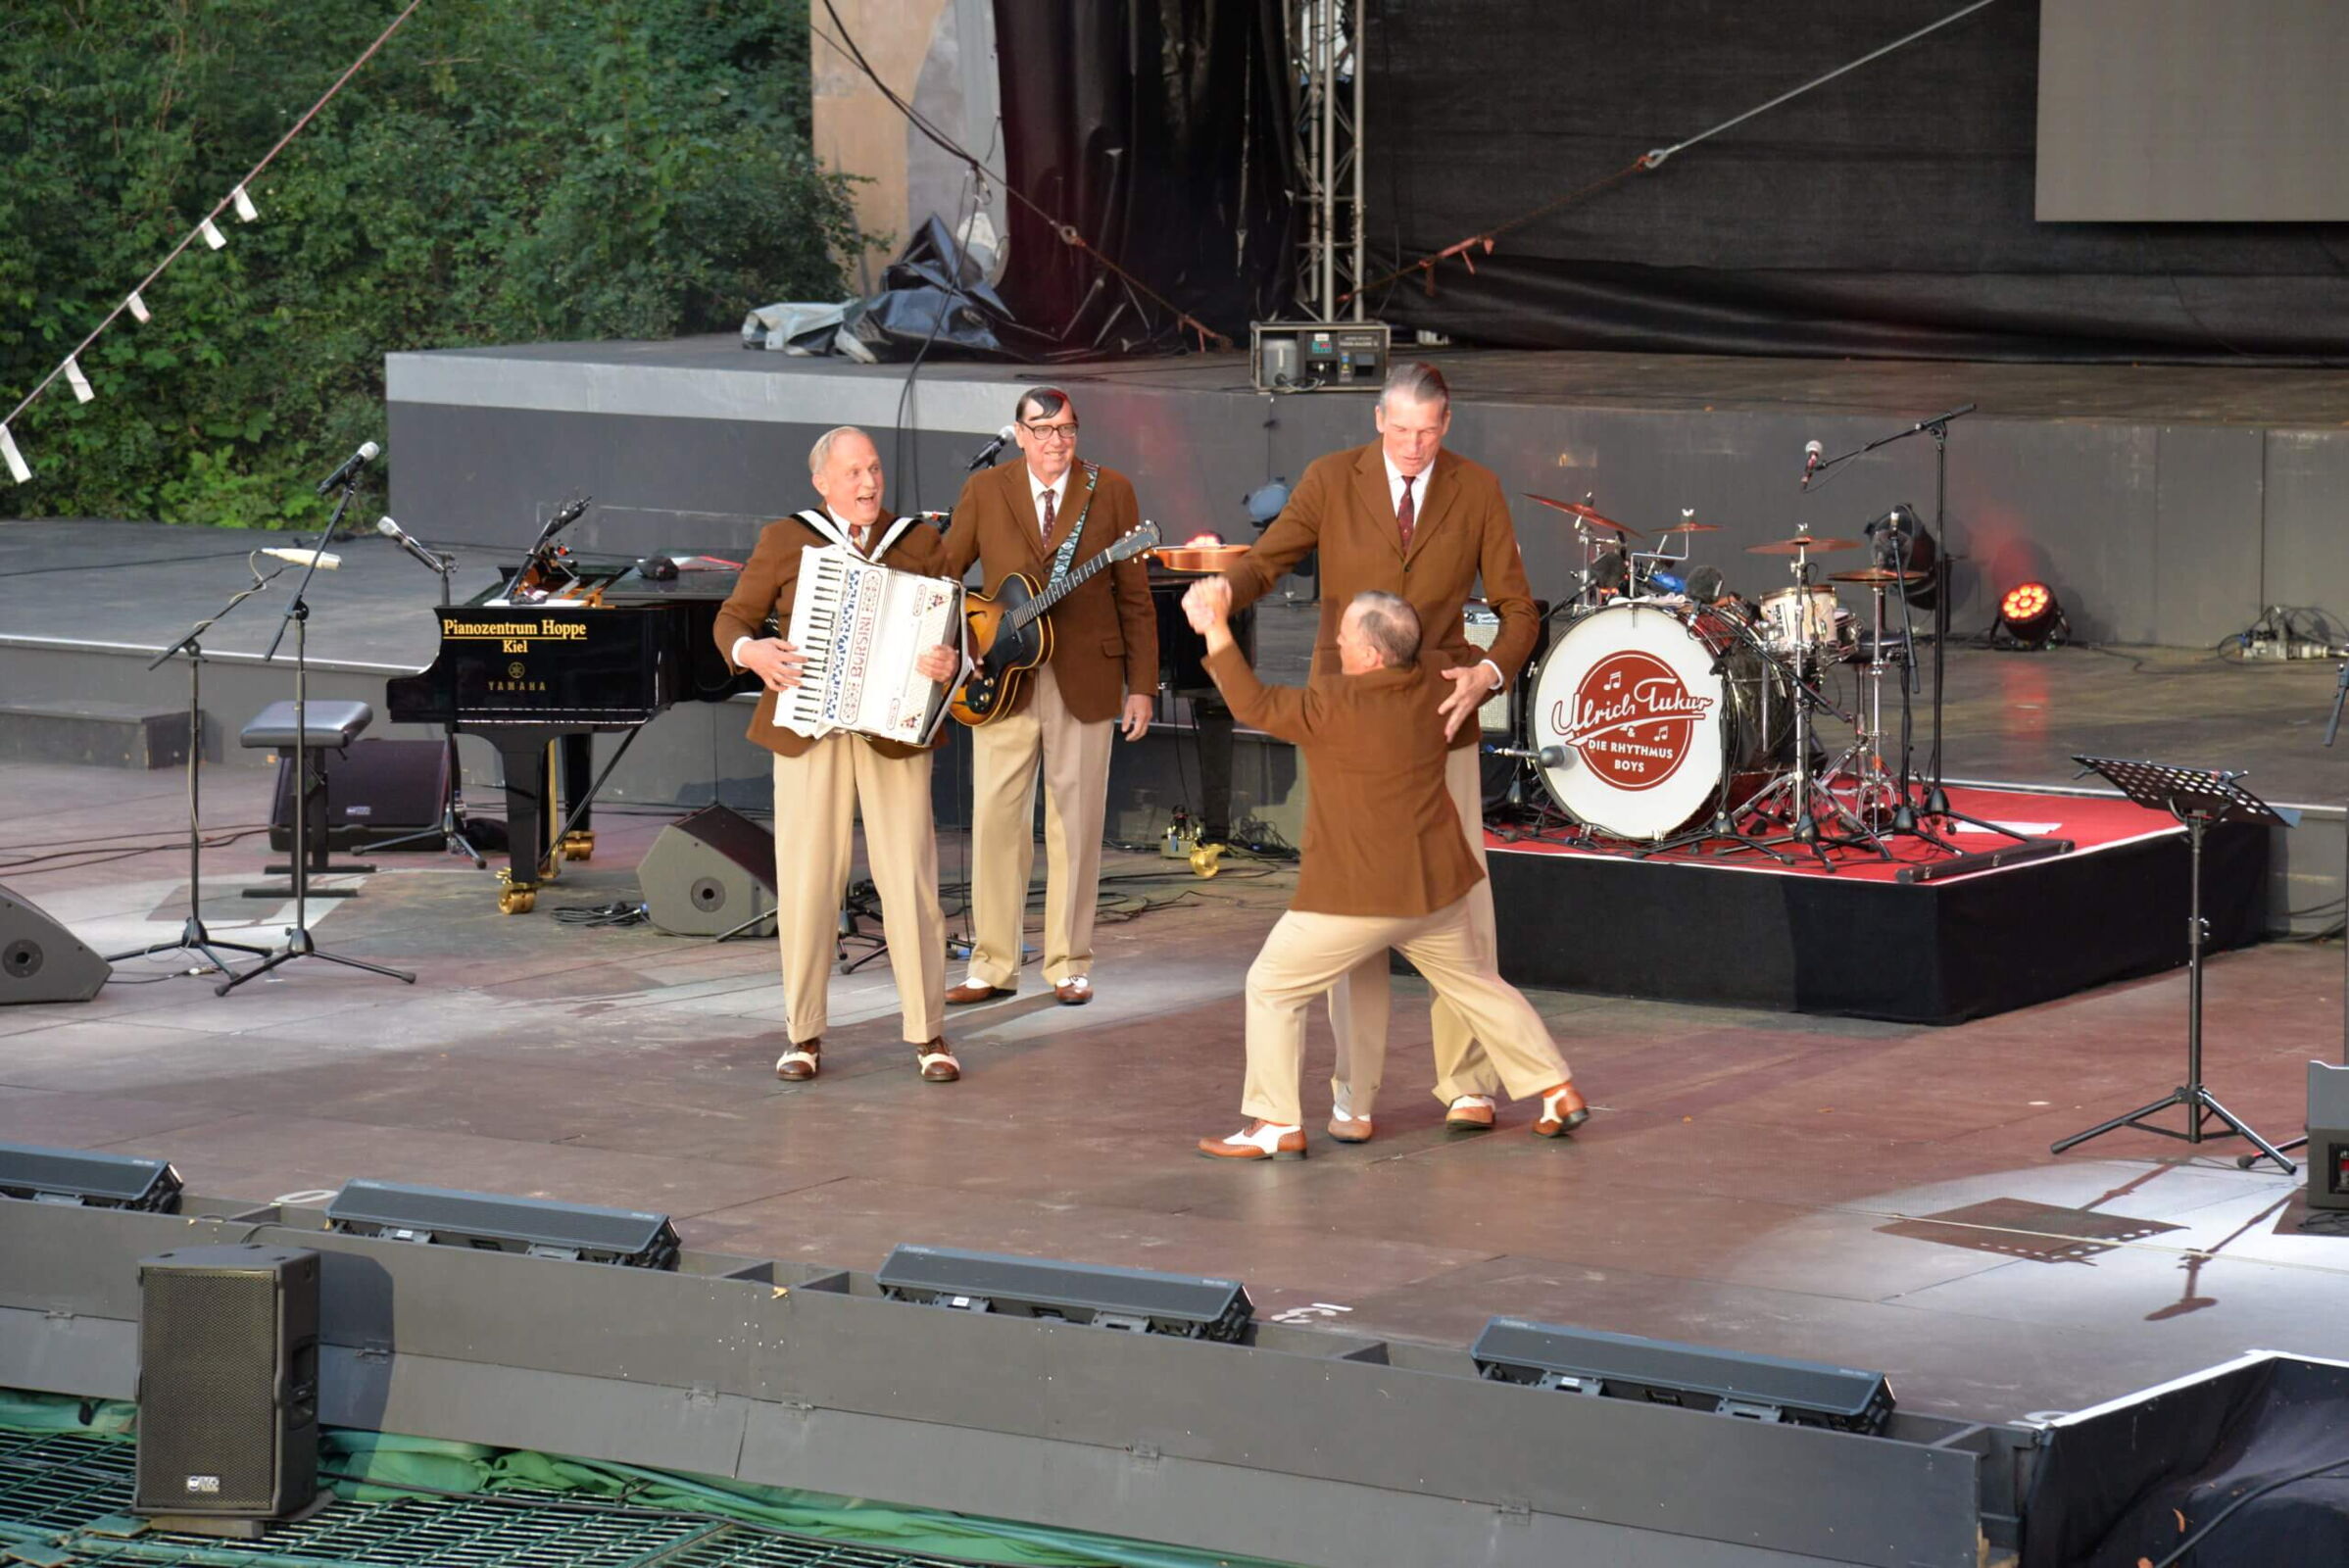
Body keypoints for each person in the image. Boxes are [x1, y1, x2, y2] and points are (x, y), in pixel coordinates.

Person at [1185, 361, 1538, 1143]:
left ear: (1446, 426)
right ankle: (1354, 1095)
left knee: (1460, 906)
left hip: (1441, 716)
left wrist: (1487, 672)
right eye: (1401, 430)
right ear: (1378, 419)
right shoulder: (1329, 478)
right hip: (1343, 721)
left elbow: (1518, 608)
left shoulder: (1476, 488)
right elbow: (1267, 561)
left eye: (1428, 433)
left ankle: (1468, 1084)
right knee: (1349, 908)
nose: (1413, 446)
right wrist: (1222, 593)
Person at [1186, 584, 1589, 1158]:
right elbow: (1474, 662)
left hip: (1357, 895)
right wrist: (1485, 672)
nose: (1337, 639)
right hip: (1433, 889)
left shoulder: (1332, 705)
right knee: (1477, 985)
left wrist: (1215, 628)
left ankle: (1275, 1121)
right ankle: (1556, 1090)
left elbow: (1250, 703)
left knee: (1271, 986)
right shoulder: (1438, 682)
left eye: (1345, 634)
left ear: (1371, 655)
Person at [713, 426, 964, 1085]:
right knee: (807, 883)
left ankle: (929, 1033)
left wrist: (952, 659)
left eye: (873, 469)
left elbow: (960, 627)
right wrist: (752, 652)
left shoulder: (916, 541)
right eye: (852, 473)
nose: (868, 483)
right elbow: (732, 620)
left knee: (910, 881)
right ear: (821, 482)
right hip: (808, 731)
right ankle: (803, 1035)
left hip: (892, 732)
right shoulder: (785, 539)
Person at [940, 388, 1157, 1007]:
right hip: (1002, 679)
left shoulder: (1109, 489)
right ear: (1019, 433)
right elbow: (945, 575)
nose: (1056, 441)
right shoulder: (986, 489)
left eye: (1066, 429)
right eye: (1042, 429)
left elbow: (1135, 598)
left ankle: (1069, 963)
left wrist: (1142, 685)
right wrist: (966, 641)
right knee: (996, 824)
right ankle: (992, 964)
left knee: (1076, 825)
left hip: (1084, 678)